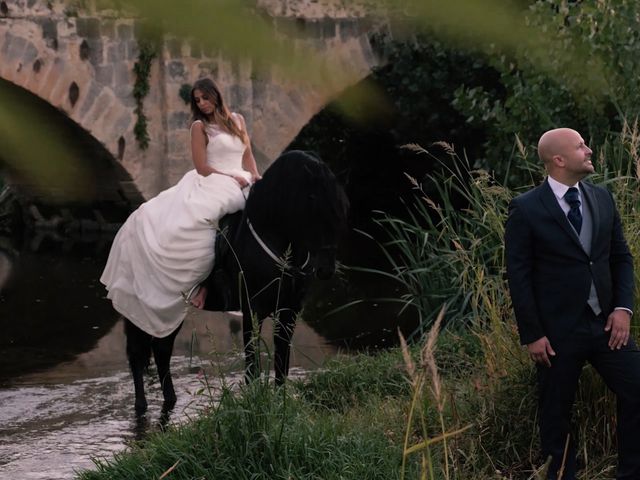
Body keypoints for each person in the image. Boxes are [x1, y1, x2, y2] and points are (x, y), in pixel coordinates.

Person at [504, 128, 640, 480]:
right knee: (555, 413)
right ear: (559, 160)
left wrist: (623, 309)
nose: (589, 150)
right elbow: (518, 276)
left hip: (607, 325)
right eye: (581, 146)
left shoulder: (602, 198)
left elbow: (621, 258)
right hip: (555, 333)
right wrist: (532, 334)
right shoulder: (526, 208)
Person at [101, 77, 260, 338]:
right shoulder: (199, 127)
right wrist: (232, 177)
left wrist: (255, 176)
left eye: (205, 98)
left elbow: (248, 155)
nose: (202, 104)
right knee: (205, 227)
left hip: (242, 178)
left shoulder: (237, 120)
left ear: (215, 95)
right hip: (215, 179)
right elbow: (202, 167)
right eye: (197, 100)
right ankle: (203, 284)